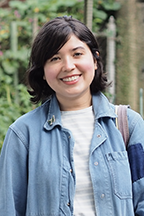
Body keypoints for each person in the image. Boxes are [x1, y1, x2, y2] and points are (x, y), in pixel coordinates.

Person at [0, 16, 144, 216]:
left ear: (94, 60)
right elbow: (8, 208)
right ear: (43, 72)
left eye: (77, 54)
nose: (68, 66)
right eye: (55, 58)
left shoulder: (128, 124)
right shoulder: (23, 135)